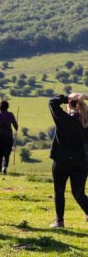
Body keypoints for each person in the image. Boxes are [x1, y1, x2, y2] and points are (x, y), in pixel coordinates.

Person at [48, 93, 88, 228]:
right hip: (81, 162)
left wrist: (67, 98)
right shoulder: (86, 123)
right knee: (78, 192)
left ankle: (60, 221)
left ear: (69, 105)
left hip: (61, 160)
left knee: (59, 191)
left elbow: (52, 102)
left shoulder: (63, 119)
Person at [0, 100, 19, 174]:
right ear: (7, 107)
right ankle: (4, 167)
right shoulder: (10, 115)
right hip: (8, 136)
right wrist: (16, 128)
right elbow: (15, 125)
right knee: (7, 152)